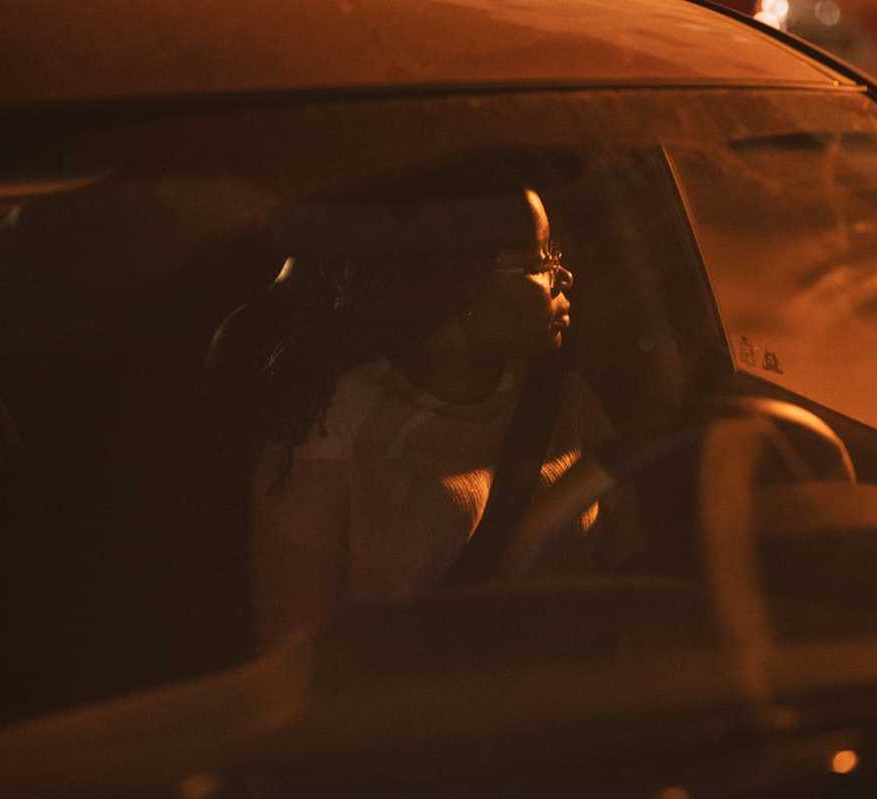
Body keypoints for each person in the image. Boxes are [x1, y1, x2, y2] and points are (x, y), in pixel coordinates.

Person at [250, 164, 636, 647]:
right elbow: (293, 649)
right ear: (464, 285)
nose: (566, 276)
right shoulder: (332, 423)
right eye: (541, 261)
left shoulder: (568, 403)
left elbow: (627, 578)